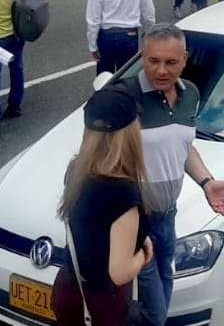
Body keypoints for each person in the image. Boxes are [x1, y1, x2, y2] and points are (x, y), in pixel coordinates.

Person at [111, 25, 224, 325]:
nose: (161, 70)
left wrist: (206, 181)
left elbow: (182, 146)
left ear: (184, 59)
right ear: (142, 56)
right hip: (135, 222)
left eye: (170, 62)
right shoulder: (123, 99)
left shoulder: (189, 94)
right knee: (153, 313)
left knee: (161, 300)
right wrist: (130, 208)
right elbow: (102, 163)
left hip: (167, 218)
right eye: (153, 61)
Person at [52, 86, 153, 326]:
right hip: (102, 303)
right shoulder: (123, 191)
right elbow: (119, 272)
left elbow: (92, 225)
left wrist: (137, 236)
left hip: (69, 287)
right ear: (130, 134)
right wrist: (143, 255)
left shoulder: (76, 170)